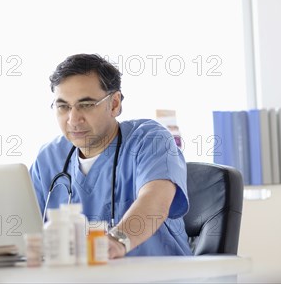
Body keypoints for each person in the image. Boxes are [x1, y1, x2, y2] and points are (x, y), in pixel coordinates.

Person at [29, 54, 192, 258]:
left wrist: (117, 241)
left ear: (114, 104)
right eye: (63, 106)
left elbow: (155, 201)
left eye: (86, 104)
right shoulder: (49, 158)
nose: (73, 119)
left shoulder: (150, 140)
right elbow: (26, 224)